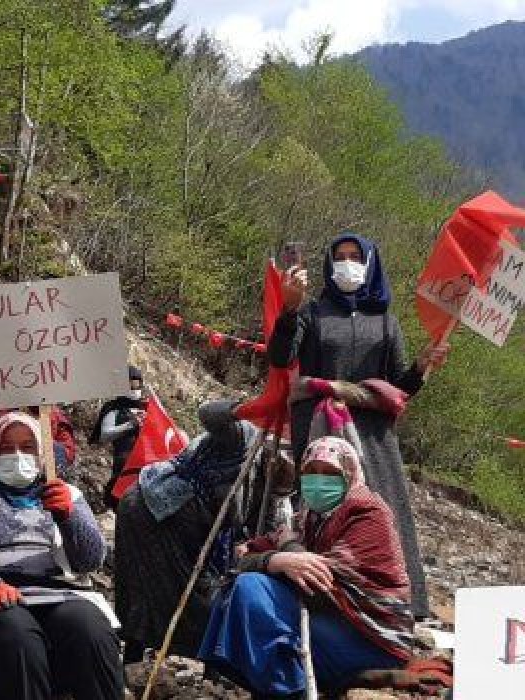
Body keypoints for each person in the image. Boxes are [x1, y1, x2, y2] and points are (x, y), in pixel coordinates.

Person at [269, 233, 449, 617]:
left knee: (379, 509)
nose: (346, 263)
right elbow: (281, 357)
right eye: (340, 256)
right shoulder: (312, 312)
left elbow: (398, 388)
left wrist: (421, 367)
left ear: (370, 264)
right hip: (320, 426)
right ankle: (313, 598)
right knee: (318, 503)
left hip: (371, 432)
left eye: (355, 256)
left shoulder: (386, 322)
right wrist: (289, 309)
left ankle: (394, 604)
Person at [198, 436, 413, 697]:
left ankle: (289, 690)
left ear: (349, 473)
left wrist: (286, 550)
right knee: (232, 592)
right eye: (311, 471)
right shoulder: (311, 517)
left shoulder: (367, 513)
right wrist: (276, 560)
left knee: (251, 589)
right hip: (332, 621)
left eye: (330, 472)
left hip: (372, 639)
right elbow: (243, 554)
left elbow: (319, 581)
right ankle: (271, 685)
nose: (318, 480)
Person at [0, 412, 123, 700]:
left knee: (89, 628)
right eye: (6, 448)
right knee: (17, 635)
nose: (17, 455)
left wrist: (68, 517)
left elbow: (91, 559)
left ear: (42, 453)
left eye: (27, 447)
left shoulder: (68, 494)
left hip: (63, 594)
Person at [113, 400, 261, 664]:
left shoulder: (274, 468)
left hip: (184, 521)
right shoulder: (240, 436)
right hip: (154, 510)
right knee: (161, 589)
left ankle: (206, 662)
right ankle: (142, 656)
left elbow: (263, 519)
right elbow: (208, 413)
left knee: (196, 589)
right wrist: (252, 408)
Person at [91, 365, 148, 508]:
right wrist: (130, 425)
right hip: (123, 463)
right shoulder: (114, 408)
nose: (134, 388)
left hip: (146, 465)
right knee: (119, 498)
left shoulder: (147, 407)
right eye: (130, 383)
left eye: (136, 384)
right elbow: (104, 434)